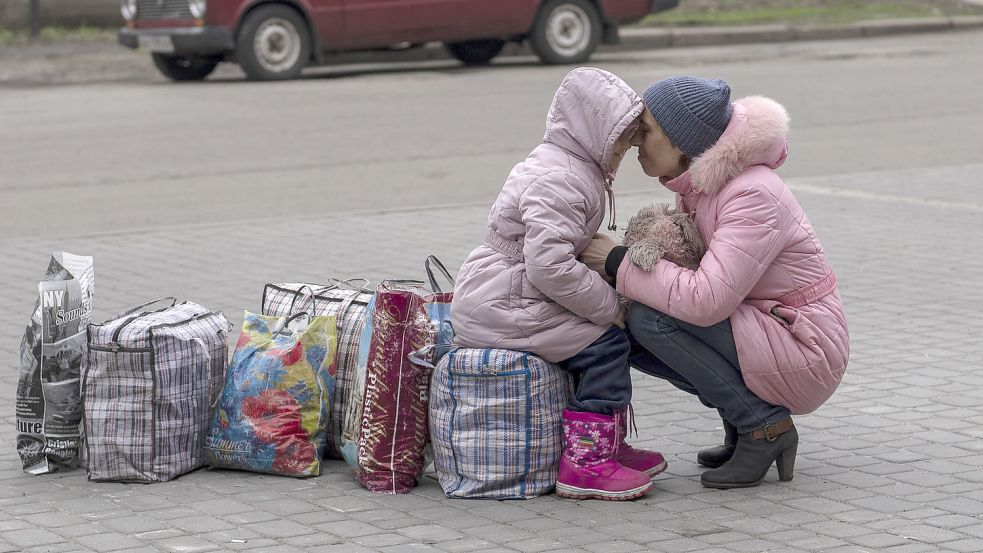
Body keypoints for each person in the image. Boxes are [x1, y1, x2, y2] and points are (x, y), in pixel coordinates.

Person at [581, 76, 849, 489]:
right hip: (771, 326)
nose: (636, 142)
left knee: (651, 320)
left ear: (681, 140)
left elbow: (707, 301)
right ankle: (742, 423)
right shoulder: (705, 187)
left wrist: (617, 261)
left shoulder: (751, 194)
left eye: (647, 130)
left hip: (807, 344)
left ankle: (763, 427)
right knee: (630, 330)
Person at [451, 67, 666, 501]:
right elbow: (550, 266)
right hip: (506, 301)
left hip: (508, 292)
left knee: (599, 342)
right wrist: (611, 306)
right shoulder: (563, 179)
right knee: (606, 345)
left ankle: (606, 444)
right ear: (595, 132)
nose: (628, 147)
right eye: (622, 136)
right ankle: (587, 464)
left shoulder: (568, 163)